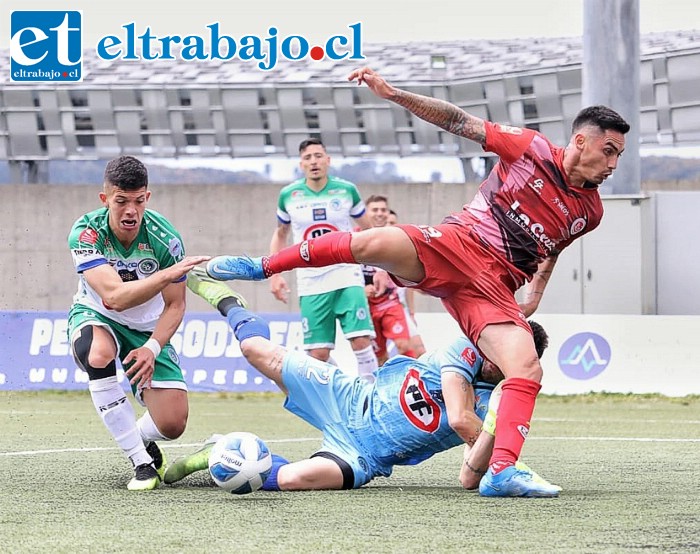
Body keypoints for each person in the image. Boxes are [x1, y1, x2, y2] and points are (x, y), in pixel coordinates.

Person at [205, 67, 630, 497]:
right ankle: (263, 266)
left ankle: (503, 472)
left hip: (492, 288)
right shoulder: (529, 147)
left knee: (526, 367)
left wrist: (533, 296)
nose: (613, 164)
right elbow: (458, 120)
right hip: (457, 244)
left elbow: (552, 248)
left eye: (619, 155)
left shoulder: (590, 212)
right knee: (371, 242)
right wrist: (392, 94)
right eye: (609, 151)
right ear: (581, 141)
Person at [163, 297, 559, 496]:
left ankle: (220, 456)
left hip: (364, 456)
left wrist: (495, 428)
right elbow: (457, 418)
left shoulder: (498, 403)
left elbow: (469, 479)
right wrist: (500, 441)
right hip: (350, 397)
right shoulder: (465, 349)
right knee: (256, 352)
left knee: (294, 478)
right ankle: (229, 303)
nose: (495, 351)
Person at [67, 155, 209, 491]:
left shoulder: (166, 240)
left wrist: (151, 346)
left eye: (138, 200)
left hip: (147, 327)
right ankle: (141, 462)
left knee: (174, 424)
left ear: (147, 197)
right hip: (98, 315)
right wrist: (166, 275)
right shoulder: (86, 232)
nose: (130, 210)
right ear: (106, 200)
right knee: (96, 353)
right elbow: (112, 297)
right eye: (121, 202)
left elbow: (176, 305)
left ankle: (138, 437)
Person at [268, 137, 379, 380]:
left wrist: (380, 267)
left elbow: (370, 230)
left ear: (328, 160)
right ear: (301, 165)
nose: (314, 161)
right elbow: (280, 235)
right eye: (308, 158)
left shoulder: (346, 190)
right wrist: (275, 274)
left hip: (346, 274)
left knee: (361, 340)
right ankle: (342, 390)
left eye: (318, 156)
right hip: (311, 280)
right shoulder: (289, 195)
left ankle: (371, 399)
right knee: (317, 353)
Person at [362, 195, 416, 364]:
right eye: (375, 210)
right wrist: (360, 289)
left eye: (383, 210)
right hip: (366, 306)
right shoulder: (355, 237)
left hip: (391, 303)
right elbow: (346, 270)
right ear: (365, 212)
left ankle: (415, 383)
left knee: (404, 345)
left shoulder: (396, 236)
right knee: (379, 356)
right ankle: (385, 387)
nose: (380, 214)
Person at [387, 208, 427, 358]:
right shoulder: (374, 251)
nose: (389, 225)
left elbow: (409, 286)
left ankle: (419, 380)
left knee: (420, 351)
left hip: (402, 311)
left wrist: (411, 312)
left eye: (393, 223)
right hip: (383, 310)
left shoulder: (401, 249)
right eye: (387, 222)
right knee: (396, 351)